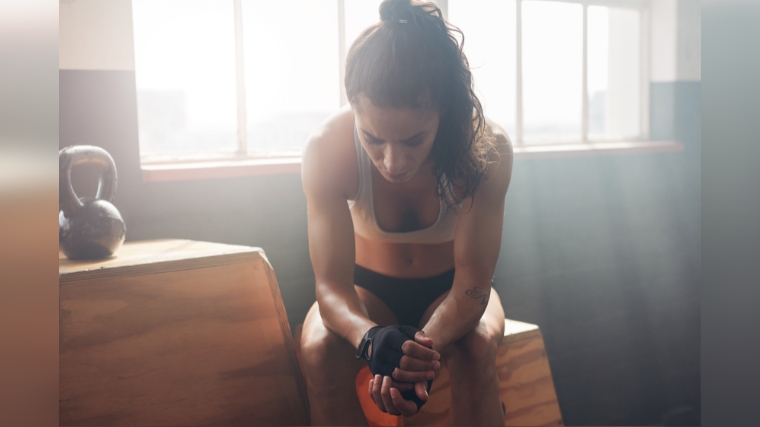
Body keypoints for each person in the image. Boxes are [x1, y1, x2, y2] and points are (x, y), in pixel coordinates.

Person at [299, 0, 513, 425]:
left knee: (475, 348)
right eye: (372, 139)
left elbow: (473, 284)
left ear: (443, 111)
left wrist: (419, 352)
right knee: (317, 350)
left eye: (413, 140)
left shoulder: (487, 149)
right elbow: (330, 288)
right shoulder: (326, 148)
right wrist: (369, 338)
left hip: (452, 291)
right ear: (354, 111)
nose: (392, 161)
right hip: (367, 293)